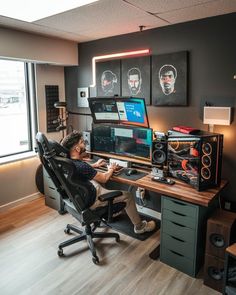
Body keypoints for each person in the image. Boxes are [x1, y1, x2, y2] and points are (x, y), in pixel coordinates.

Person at [61, 130, 156, 234]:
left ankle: (111, 209)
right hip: (91, 200)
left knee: (97, 182)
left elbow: (79, 169)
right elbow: (104, 178)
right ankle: (140, 227)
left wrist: (93, 166)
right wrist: (111, 168)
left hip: (79, 197)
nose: (85, 144)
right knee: (128, 195)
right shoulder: (82, 166)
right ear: (77, 148)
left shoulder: (67, 163)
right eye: (82, 142)